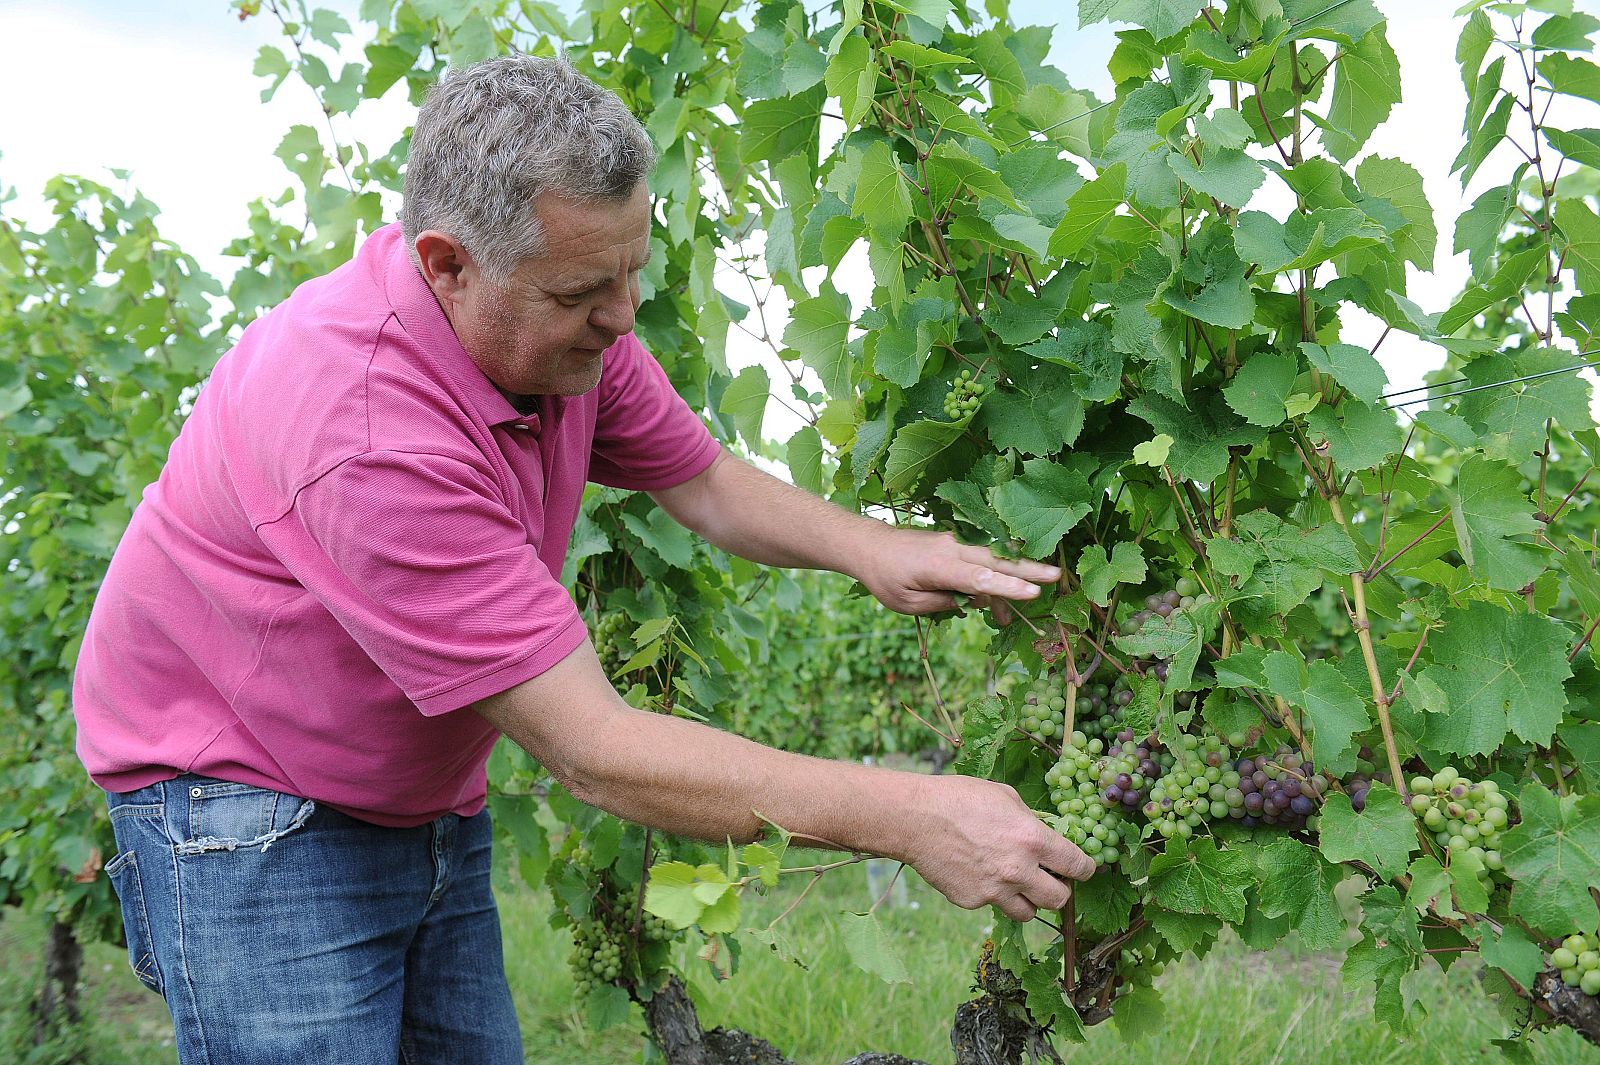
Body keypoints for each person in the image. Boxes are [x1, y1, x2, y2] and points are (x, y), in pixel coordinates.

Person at [73, 54, 1092, 1064]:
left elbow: (700, 480)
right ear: (447, 265)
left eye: (632, 271)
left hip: (413, 791)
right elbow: (593, 750)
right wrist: (913, 815)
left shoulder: (556, 322)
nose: (622, 315)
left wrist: (876, 548)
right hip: (241, 800)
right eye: (581, 291)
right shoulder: (368, 435)